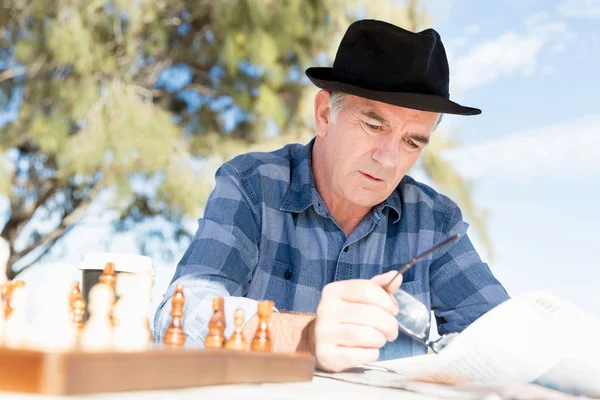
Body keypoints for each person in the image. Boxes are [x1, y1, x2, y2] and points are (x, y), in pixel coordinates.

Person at [154, 19, 509, 372]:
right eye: (374, 125)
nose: (388, 160)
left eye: (412, 141)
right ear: (324, 114)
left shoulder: (435, 221)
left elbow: (504, 341)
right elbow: (180, 315)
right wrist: (304, 336)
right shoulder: (251, 186)